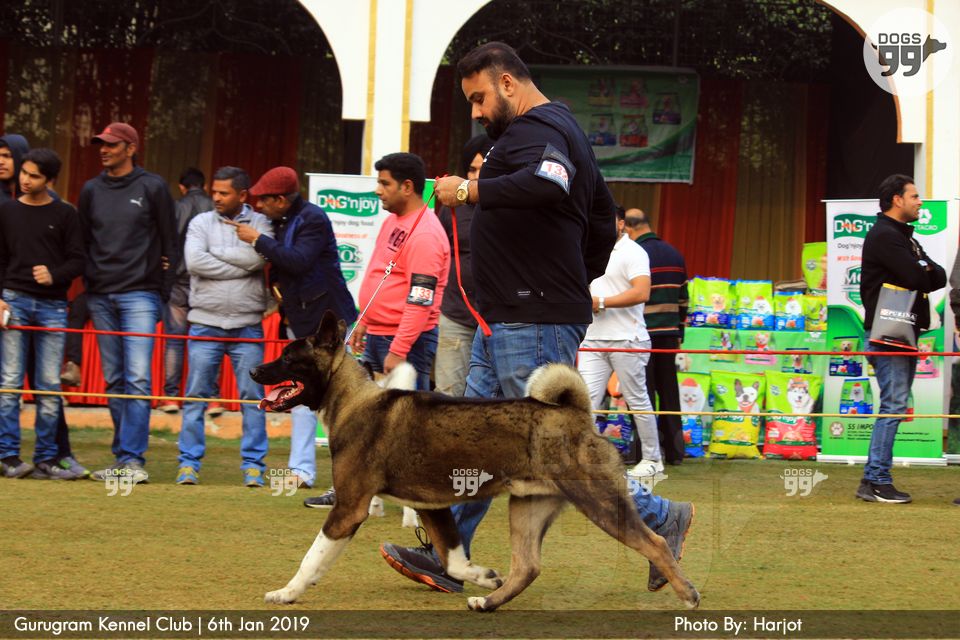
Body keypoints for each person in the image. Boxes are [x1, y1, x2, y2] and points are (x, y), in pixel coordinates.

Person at [379, 42, 693, 595]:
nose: (476, 112)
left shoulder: (536, 129)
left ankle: (662, 515)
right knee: (476, 443)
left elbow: (550, 184)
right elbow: (601, 217)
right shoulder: (556, 131)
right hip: (511, 314)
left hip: (532, 317)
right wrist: (573, 277)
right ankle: (452, 556)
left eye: (479, 98)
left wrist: (468, 190)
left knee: (557, 452)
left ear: (507, 83)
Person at [303, 152, 450, 509]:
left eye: (384, 184)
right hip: (377, 334)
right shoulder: (393, 221)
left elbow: (420, 299)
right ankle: (356, 491)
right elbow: (379, 274)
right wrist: (364, 321)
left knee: (405, 427)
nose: (378, 191)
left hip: (406, 342)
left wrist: (399, 349)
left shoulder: (426, 234)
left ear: (407, 186)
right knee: (362, 420)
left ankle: (416, 500)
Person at [232, 166, 356, 490]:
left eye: (264, 200)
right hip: (300, 322)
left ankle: (352, 475)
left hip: (330, 327)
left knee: (344, 401)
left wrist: (257, 239)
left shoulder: (313, 218)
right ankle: (301, 471)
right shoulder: (282, 221)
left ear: (281, 199)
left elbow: (298, 261)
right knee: (299, 394)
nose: (259, 206)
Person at [78, 122, 178, 484]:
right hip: (101, 295)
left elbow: (171, 242)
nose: (104, 150)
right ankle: (123, 458)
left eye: (111, 144)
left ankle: (133, 461)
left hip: (141, 294)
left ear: (131, 148)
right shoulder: (91, 189)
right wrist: (90, 286)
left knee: (137, 379)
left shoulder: (152, 186)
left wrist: (162, 291)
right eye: (101, 145)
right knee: (115, 379)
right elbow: (83, 242)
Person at [176, 166, 272, 487]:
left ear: (242, 195)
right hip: (205, 323)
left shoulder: (261, 223)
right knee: (195, 397)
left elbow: (259, 260)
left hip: (248, 325)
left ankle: (254, 466)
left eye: (223, 193)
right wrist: (241, 261)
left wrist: (215, 254)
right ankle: (188, 464)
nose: (215, 197)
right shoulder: (200, 222)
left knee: (253, 399)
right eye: (213, 191)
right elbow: (195, 262)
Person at [1, 133, 89, 478]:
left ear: (49, 180)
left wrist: (54, 275)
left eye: (34, 176)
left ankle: (47, 458)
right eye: (24, 172)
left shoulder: (66, 214)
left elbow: (78, 260)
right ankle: (8, 456)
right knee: (10, 381)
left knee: (49, 385)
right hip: (13, 301)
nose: (25, 179)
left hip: (53, 306)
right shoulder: (7, 211)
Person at [858, 174, 945, 504]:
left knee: (895, 404)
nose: (920, 202)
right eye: (915, 196)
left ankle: (873, 478)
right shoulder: (884, 235)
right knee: (893, 405)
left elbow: (938, 276)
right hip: (887, 334)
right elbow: (916, 276)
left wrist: (922, 267)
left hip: (902, 332)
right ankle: (876, 480)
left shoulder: (904, 237)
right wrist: (921, 268)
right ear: (897, 199)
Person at [578, 206, 663, 478]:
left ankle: (653, 459)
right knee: (584, 401)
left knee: (636, 399)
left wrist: (601, 302)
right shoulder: (588, 248)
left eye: (608, 220)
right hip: (592, 338)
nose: (601, 224)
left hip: (627, 338)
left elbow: (642, 292)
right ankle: (585, 460)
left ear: (621, 224)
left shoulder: (634, 252)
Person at [624, 208, 689, 465]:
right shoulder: (675, 253)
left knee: (642, 394)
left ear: (628, 228)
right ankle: (675, 452)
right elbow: (684, 299)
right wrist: (679, 331)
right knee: (669, 392)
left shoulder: (634, 254)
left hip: (641, 334)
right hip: (669, 335)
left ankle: (643, 453)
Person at [434, 135, 492, 397]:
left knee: (492, 399)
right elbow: (439, 253)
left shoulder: (509, 205)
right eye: (471, 169)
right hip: (456, 315)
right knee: (448, 397)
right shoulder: (451, 207)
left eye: (483, 169)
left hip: (499, 320)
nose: (476, 176)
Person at [158, 167, 214, 415]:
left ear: (182, 187)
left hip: (179, 281)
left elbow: (166, 242)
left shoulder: (175, 207)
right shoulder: (214, 207)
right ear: (205, 185)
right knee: (210, 339)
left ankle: (170, 397)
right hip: (208, 282)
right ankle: (213, 398)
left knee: (175, 340)